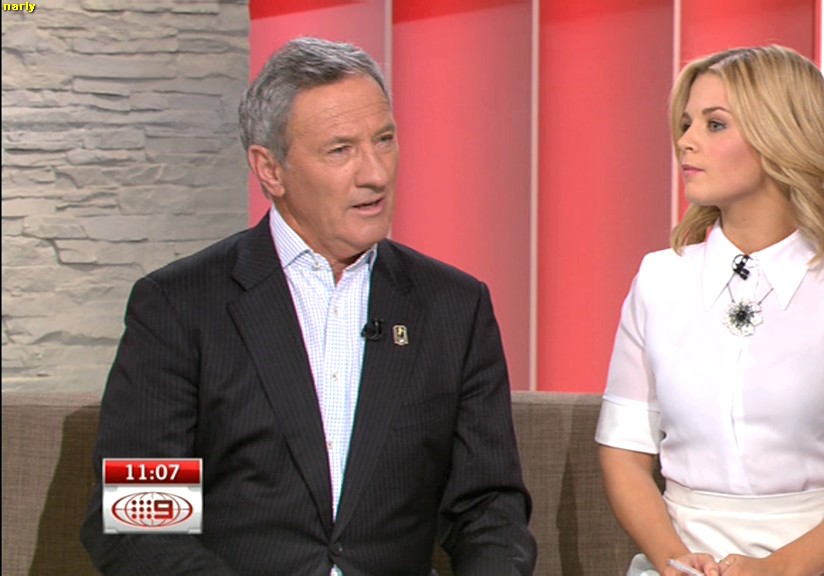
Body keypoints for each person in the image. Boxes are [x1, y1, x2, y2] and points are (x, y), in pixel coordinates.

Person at [80, 37, 537, 576]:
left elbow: (488, 510)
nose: (376, 173)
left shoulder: (453, 307)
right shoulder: (180, 307)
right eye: (340, 150)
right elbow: (140, 520)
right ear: (270, 169)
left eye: (384, 140)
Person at [596, 45, 824, 576]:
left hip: (815, 565)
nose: (686, 141)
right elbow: (623, 454)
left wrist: (777, 570)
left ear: (781, 133)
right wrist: (675, 560)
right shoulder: (659, 280)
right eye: (686, 124)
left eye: (714, 124)